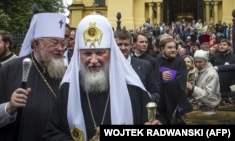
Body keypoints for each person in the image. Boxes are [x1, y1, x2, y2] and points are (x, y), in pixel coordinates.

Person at [43, 13, 153, 141]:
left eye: (100, 53)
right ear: (79, 55)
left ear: (111, 53)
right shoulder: (68, 89)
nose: (94, 60)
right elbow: (52, 134)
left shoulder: (133, 88)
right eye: (87, 53)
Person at [0, 13, 66, 141]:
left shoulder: (66, 73)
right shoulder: (9, 70)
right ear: (37, 44)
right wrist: (9, 107)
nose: (60, 49)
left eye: (63, 44)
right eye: (54, 43)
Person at [152, 37, 192, 125]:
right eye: (170, 48)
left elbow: (182, 80)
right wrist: (160, 76)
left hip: (175, 101)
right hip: (161, 102)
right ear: (162, 49)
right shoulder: (156, 61)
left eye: (174, 47)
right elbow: (151, 78)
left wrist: (169, 79)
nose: (173, 50)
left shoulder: (180, 62)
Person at [114, 30, 160, 103]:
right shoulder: (107, 67)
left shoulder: (146, 66)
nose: (123, 48)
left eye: (126, 44)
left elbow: (155, 94)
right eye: (119, 44)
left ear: (131, 46)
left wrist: (144, 100)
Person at [186, 50, 221, 114]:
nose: (197, 64)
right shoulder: (197, 70)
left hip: (210, 105)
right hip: (199, 103)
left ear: (206, 61)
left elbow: (208, 95)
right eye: (196, 62)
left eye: (200, 62)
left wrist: (192, 88)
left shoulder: (212, 74)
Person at [210, 39, 235, 104]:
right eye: (220, 45)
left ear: (229, 47)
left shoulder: (234, 57)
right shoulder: (214, 57)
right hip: (218, 86)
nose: (221, 46)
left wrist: (218, 68)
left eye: (224, 45)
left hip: (232, 85)